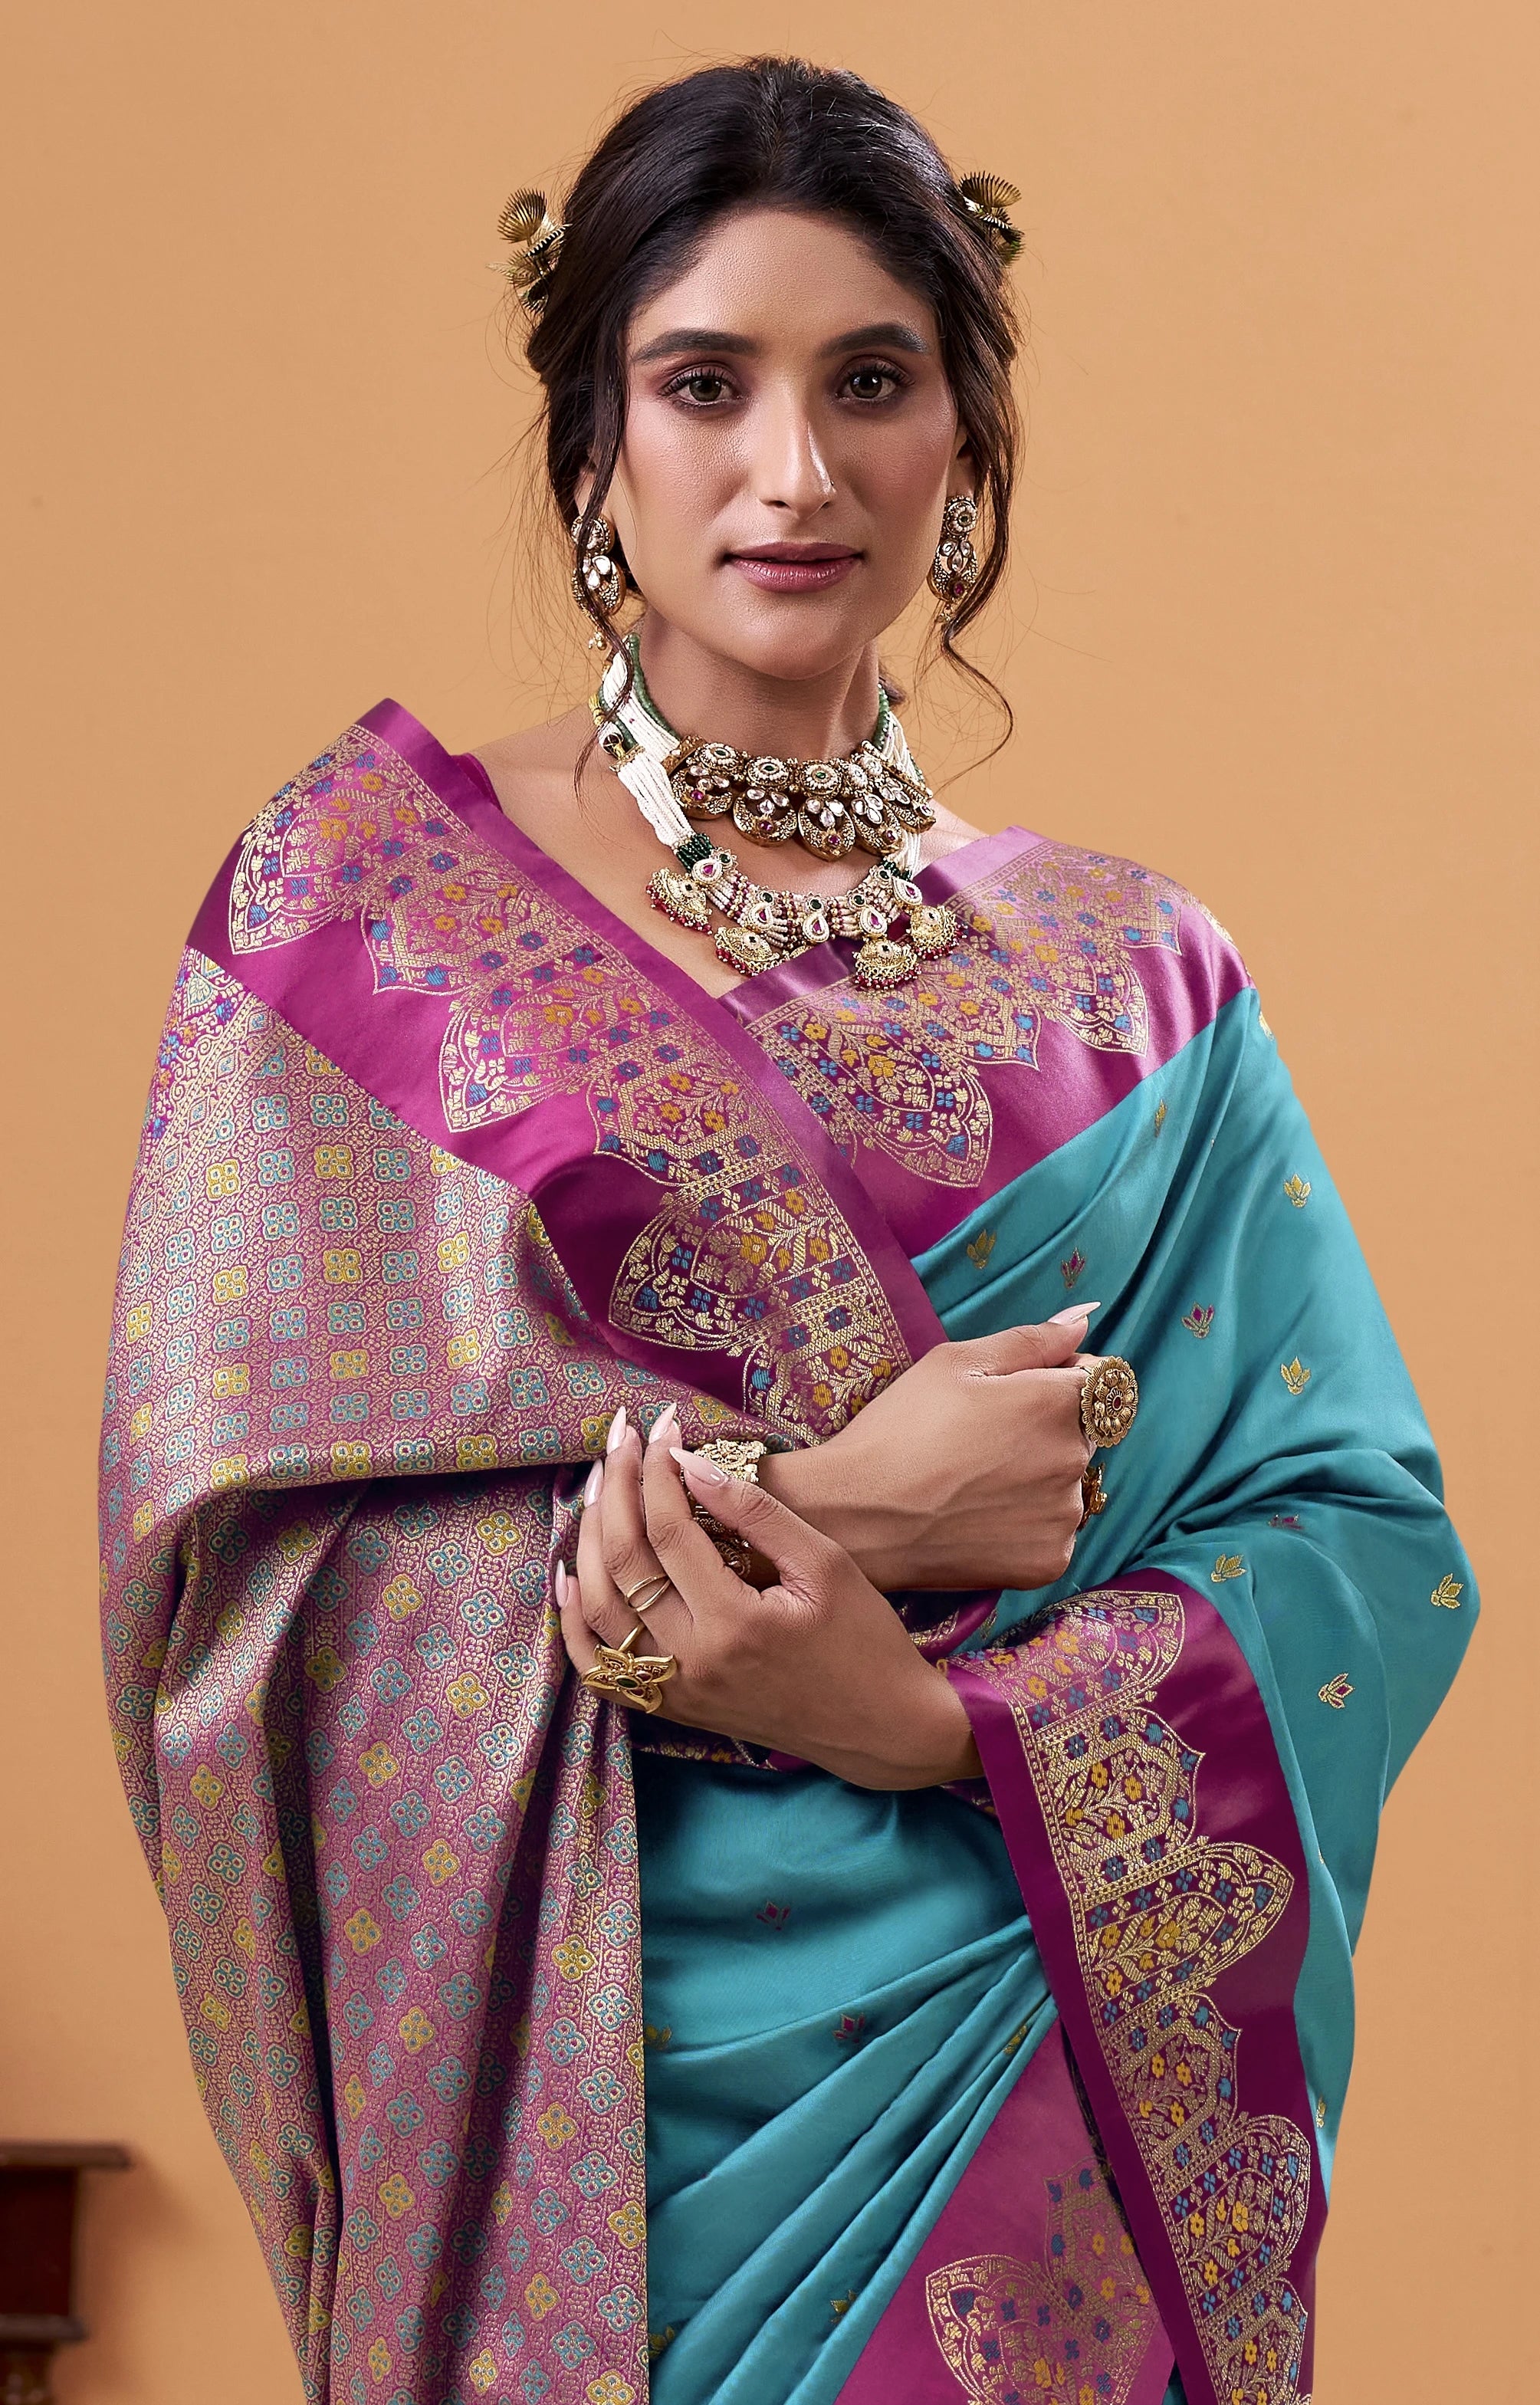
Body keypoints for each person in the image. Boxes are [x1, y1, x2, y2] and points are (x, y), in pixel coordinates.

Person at [100, 55, 1474, 2405]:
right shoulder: (350, 921)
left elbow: (1352, 1538)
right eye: (702, 383)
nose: (794, 469)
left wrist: (940, 1718)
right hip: (593, 2111)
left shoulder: (1141, 987)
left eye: (872, 383)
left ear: (964, 452)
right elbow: (247, 1591)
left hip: (1025, 2077)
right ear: (592, 450)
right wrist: (829, 1510)